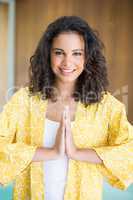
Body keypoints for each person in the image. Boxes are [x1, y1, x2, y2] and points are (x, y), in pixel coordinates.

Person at [0, 16, 133, 200]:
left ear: (88, 57)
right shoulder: (23, 101)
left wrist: (77, 153)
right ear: (48, 55)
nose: (67, 62)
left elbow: (129, 151)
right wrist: (51, 152)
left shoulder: (106, 106)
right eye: (59, 52)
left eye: (77, 53)